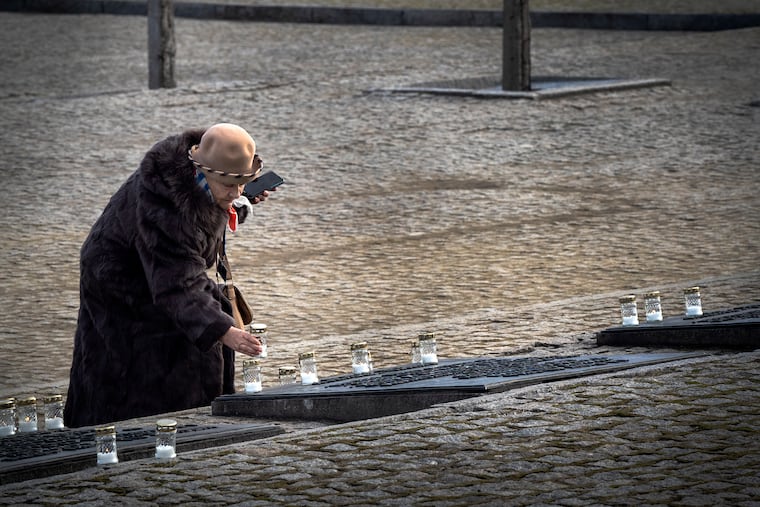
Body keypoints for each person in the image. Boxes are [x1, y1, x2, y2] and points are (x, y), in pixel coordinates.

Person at [64, 123, 272, 428]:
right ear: (204, 171)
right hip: (123, 287)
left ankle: (189, 424)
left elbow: (205, 220)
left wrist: (239, 202)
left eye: (242, 183)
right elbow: (178, 283)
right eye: (230, 185)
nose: (236, 191)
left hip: (161, 274)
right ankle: (144, 435)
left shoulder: (201, 180)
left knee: (191, 344)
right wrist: (224, 331)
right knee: (141, 372)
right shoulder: (167, 207)